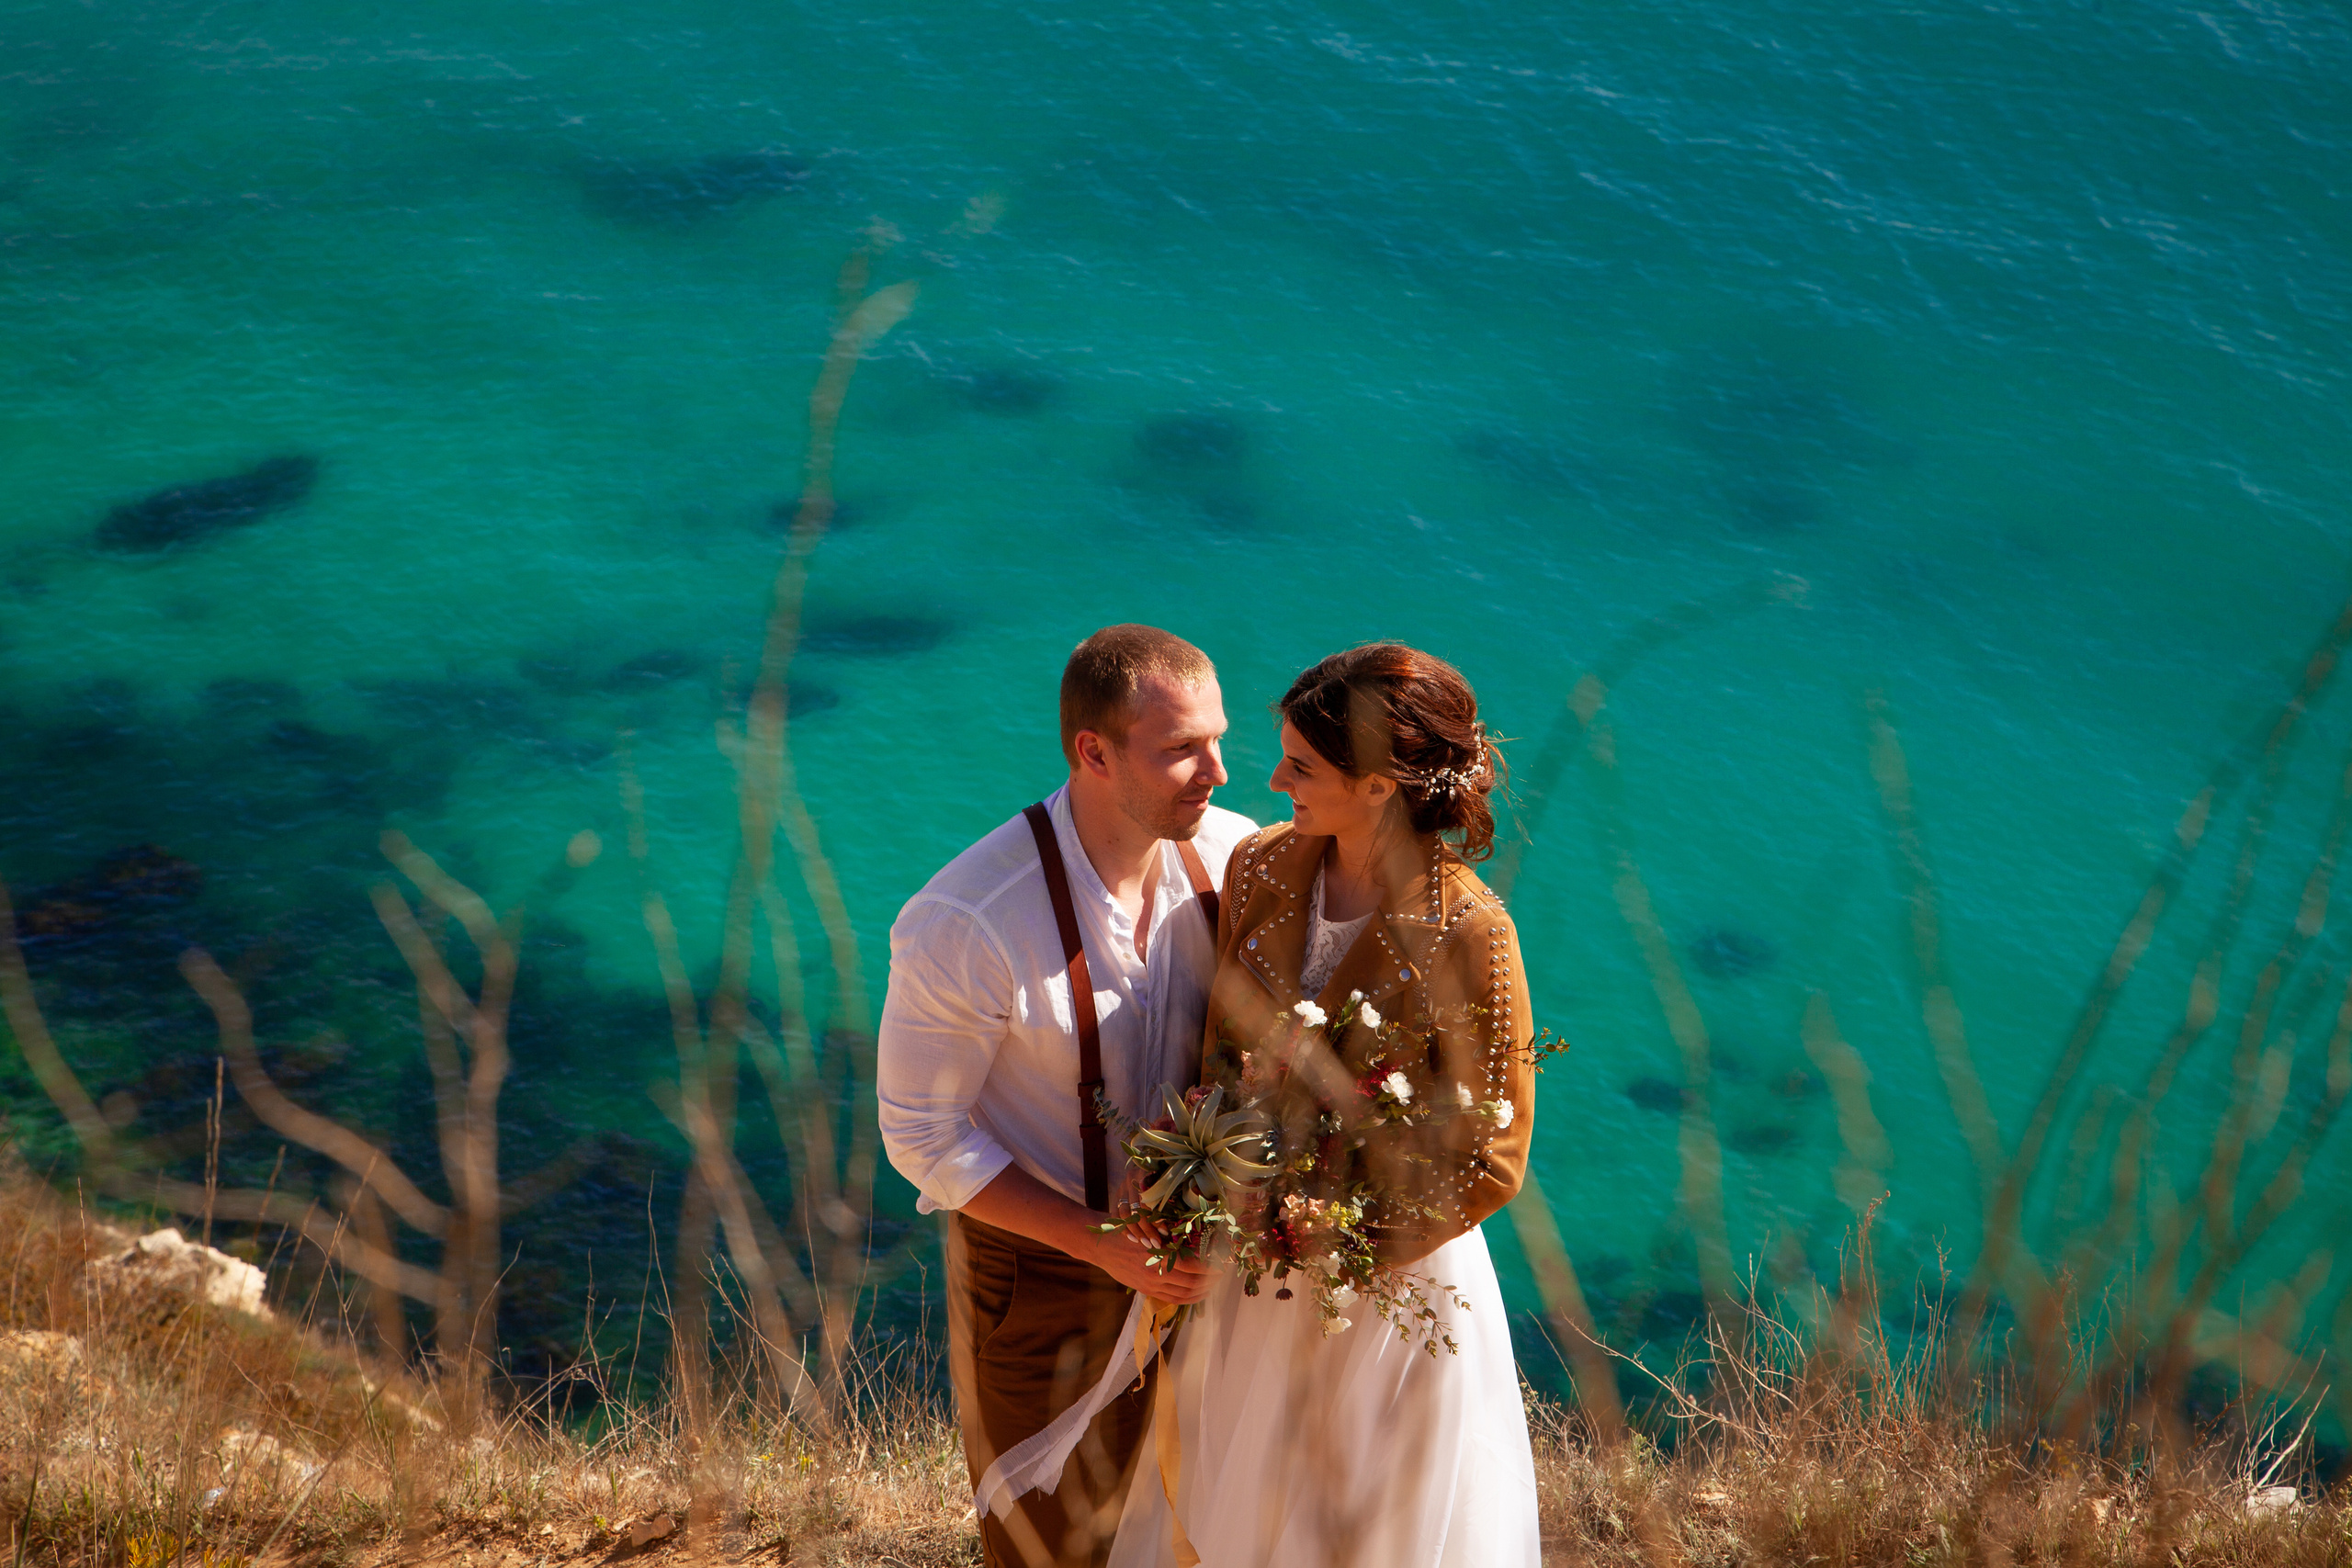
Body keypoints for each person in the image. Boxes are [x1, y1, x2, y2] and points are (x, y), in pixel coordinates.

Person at [1110, 641, 1542, 1568]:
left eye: (1301, 767)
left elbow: (1489, 1156)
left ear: (1382, 785)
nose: (1270, 781)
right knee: (1234, 1501)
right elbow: (1223, 1051)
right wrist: (1212, 1179)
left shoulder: (1469, 932)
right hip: (1250, 1267)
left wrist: (1335, 1242)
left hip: (1384, 1289)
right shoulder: (1262, 868)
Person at [878, 625, 1258, 1568]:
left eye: (1217, 739)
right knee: (1045, 1542)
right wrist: (1108, 1244)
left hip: (1212, 1276)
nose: (1215, 770)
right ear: (1092, 751)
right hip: (1043, 1280)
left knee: (1207, 1529)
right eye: (1180, 750)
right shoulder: (965, 919)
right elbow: (921, 1138)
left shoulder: (1240, 855)